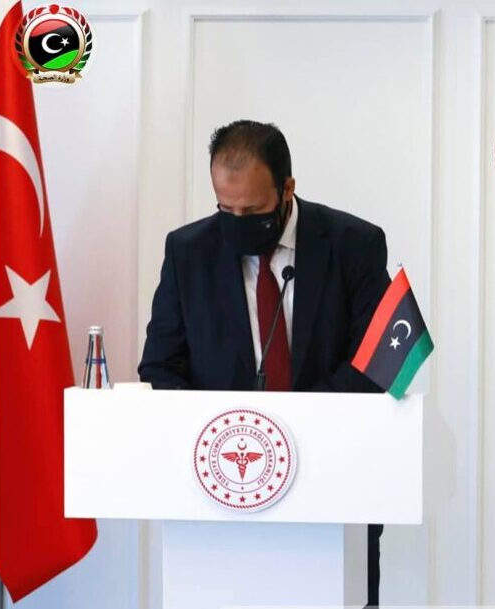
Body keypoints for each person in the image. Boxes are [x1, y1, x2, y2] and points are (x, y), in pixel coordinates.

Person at [138, 120, 389, 606]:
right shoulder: (188, 252)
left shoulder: (353, 244)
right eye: (225, 208)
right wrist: (225, 433)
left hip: (335, 477)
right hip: (222, 492)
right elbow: (161, 366)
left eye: (251, 210)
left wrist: (293, 428)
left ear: (287, 188)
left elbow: (377, 359)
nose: (237, 220)